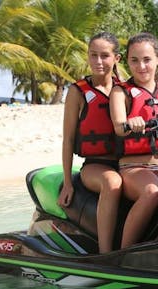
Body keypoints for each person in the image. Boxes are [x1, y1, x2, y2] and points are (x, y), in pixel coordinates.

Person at [110, 32, 158, 249]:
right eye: (134, 60)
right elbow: (119, 125)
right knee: (152, 191)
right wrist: (130, 123)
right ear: (127, 61)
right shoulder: (121, 92)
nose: (141, 66)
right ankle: (124, 254)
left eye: (146, 60)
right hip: (134, 169)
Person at [57, 32, 123, 254]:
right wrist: (68, 182)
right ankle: (106, 254)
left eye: (104, 56)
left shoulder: (124, 89)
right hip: (95, 166)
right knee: (112, 182)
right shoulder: (78, 92)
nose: (98, 62)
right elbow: (68, 140)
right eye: (93, 55)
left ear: (117, 59)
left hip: (126, 162)